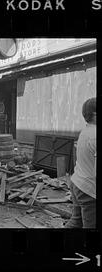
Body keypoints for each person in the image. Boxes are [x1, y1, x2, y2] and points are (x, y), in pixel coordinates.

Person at [65, 97, 96, 228]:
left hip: (77, 182)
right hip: (89, 190)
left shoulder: (86, 131)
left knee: (76, 221)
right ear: (95, 115)